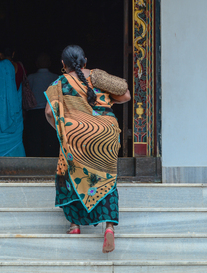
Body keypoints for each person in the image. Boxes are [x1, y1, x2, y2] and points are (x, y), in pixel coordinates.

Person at [44, 45, 131, 253]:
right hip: (106, 134)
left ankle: (75, 226)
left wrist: (62, 130)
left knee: (70, 172)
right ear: (85, 61)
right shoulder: (98, 77)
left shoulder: (60, 83)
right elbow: (126, 96)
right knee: (106, 178)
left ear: (63, 65)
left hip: (77, 135)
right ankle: (109, 228)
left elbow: (49, 112)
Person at [24, 53, 60, 157]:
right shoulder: (56, 77)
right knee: (51, 140)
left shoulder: (31, 78)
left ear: (36, 64)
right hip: (51, 113)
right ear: (49, 63)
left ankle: (34, 163)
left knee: (34, 140)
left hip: (34, 113)